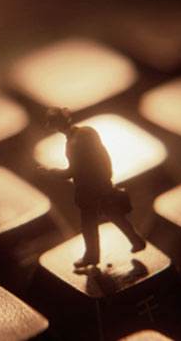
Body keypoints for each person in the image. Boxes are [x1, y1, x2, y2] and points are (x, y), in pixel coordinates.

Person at [41, 108, 146, 267]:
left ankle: (92, 256)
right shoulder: (86, 132)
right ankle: (136, 241)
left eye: (54, 124)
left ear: (58, 125)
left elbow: (72, 172)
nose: (55, 128)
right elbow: (104, 155)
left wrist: (51, 172)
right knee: (114, 215)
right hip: (100, 185)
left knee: (89, 225)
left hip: (90, 190)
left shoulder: (75, 142)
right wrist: (107, 177)